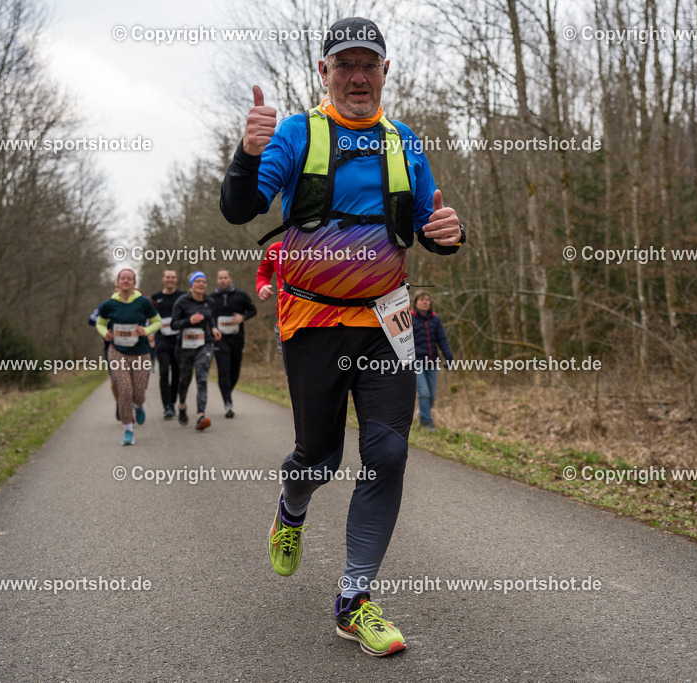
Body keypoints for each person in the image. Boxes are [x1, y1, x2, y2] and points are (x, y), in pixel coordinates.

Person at [220, 16, 464, 657]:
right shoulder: (299, 134)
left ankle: (354, 600)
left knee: (388, 454)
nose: (358, 76)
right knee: (319, 457)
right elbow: (240, 209)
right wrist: (247, 154)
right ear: (324, 72)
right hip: (313, 322)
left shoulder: (405, 142)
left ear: (385, 72)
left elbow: (430, 225)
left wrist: (450, 233)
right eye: (344, 65)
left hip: (387, 323)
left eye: (368, 64)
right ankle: (291, 507)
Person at [94, 269, 162, 446]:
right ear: (118, 282)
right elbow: (100, 323)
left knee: (138, 393)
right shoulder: (109, 304)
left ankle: (138, 406)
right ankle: (128, 430)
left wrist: (145, 330)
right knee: (124, 390)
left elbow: (157, 322)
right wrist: (105, 333)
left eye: (129, 278)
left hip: (140, 352)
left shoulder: (143, 302)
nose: (126, 281)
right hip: (117, 352)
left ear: (134, 282)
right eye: (122, 278)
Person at [170, 271, 222, 430]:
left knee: (202, 378)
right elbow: (173, 324)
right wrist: (189, 320)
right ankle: (182, 405)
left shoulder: (209, 301)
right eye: (198, 281)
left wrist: (214, 328)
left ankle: (201, 415)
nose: (201, 284)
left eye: (203, 282)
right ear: (191, 284)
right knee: (185, 379)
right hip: (185, 346)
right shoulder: (182, 302)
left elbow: (211, 318)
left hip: (205, 343)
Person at [209, 269, 257, 418]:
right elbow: (208, 316)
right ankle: (228, 403)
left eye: (225, 277)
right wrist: (213, 327)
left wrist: (243, 317)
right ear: (217, 280)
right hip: (219, 339)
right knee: (223, 370)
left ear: (230, 279)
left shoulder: (241, 295)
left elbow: (253, 310)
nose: (223, 280)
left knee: (234, 371)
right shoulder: (211, 298)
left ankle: (226, 392)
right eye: (220, 278)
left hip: (237, 338)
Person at [411, 291, 453, 430]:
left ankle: (422, 414)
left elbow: (442, 340)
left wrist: (448, 356)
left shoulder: (435, 319)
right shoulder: (410, 318)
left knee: (432, 396)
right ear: (416, 302)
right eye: (422, 300)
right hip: (416, 362)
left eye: (427, 300)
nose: (425, 302)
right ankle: (427, 423)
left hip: (432, 362)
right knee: (424, 393)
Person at [151, 270, 187, 419]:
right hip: (162, 340)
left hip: (179, 340)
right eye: (167, 277)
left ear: (176, 279)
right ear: (163, 279)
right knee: (164, 371)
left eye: (173, 277)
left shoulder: (183, 296)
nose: (170, 279)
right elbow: (150, 317)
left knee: (177, 373)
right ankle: (167, 406)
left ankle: (172, 402)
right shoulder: (155, 298)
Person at [255, 241, 285, 367]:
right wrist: (261, 286)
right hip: (285, 323)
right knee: (292, 375)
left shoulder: (325, 248)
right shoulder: (277, 249)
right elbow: (263, 272)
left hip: (319, 324)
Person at [88, 303, 120, 420]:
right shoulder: (106, 305)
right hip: (110, 347)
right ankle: (119, 404)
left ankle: (133, 402)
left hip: (132, 347)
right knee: (115, 378)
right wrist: (108, 321)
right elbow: (91, 320)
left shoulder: (135, 303)